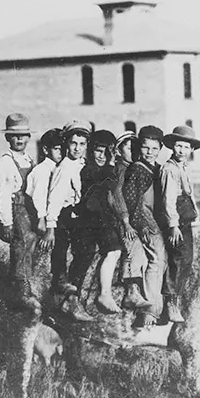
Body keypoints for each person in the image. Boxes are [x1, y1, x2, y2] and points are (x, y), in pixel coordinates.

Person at [69, 129, 123, 314]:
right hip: (87, 220)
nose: (102, 156)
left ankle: (105, 294)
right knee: (85, 253)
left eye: (107, 152)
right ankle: (71, 298)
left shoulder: (102, 170)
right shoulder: (88, 170)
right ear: (91, 150)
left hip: (101, 220)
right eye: (99, 151)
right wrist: (110, 162)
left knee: (115, 250)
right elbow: (106, 181)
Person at [47, 119, 92, 321]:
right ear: (66, 144)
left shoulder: (82, 164)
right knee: (83, 249)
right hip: (65, 215)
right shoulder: (65, 167)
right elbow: (55, 199)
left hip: (78, 212)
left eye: (82, 144)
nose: (77, 148)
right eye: (74, 143)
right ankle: (71, 296)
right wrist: (50, 226)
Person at [123, 125, 168, 328]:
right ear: (139, 148)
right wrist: (141, 225)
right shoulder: (137, 169)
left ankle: (164, 304)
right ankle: (149, 310)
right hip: (144, 219)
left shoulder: (158, 168)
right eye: (145, 148)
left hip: (157, 218)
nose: (150, 153)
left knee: (165, 259)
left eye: (154, 149)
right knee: (156, 259)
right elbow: (132, 201)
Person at [0, 113, 37, 309]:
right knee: (22, 241)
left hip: (32, 206)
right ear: (7, 138)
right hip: (17, 207)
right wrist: (6, 222)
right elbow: (3, 194)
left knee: (37, 242)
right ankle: (20, 284)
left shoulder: (29, 159)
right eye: (14, 135)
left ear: (28, 137)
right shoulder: (5, 163)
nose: (19, 139)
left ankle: (36, 281)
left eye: (23, 135)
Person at [158, 125, 200, 324]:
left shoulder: (183, 168)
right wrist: (173, 225)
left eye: (185, 147)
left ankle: (177, 297)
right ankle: (170, 302)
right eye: (178, 146)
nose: (181, 151)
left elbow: (189, 195)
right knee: (178, 258)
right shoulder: (169, 169)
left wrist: (195, 216)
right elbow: (168, 200)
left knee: (187, 259)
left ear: (191, 150)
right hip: (175, 222)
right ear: (172, 147)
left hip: (184, 220)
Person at [107, 130, 151, 311]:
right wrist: (126, 222)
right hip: (119, 218)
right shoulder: (120, 169)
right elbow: (115, 196)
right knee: (135, 248)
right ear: (118, 150)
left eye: (135, 145)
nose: (132, 150)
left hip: (133, 219)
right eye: (127, 146)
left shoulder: (135, 168)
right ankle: (131, 292)